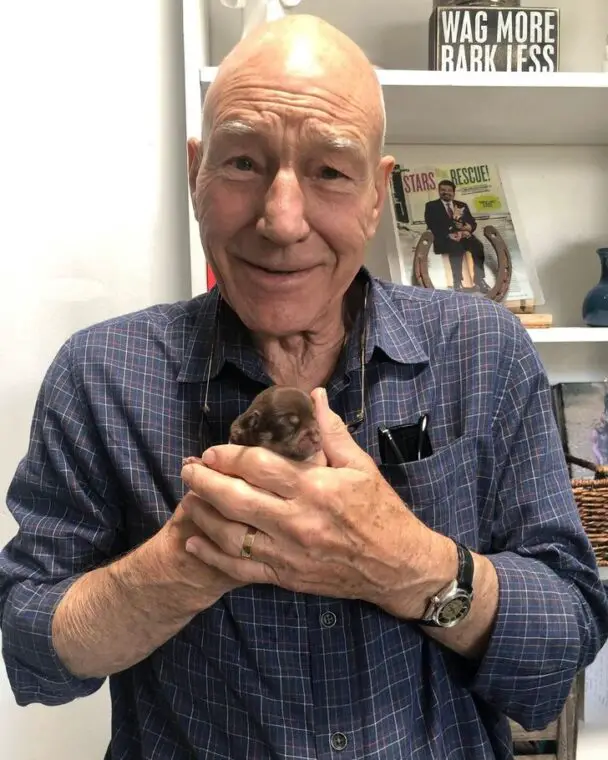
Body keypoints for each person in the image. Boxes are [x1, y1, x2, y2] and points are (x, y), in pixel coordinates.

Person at [1, 14, 607, 760]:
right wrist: (186, 560)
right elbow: (33, 649)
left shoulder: (484, 350)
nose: (282, 221)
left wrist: (407, 564)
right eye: (243, 163)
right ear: (197, 173)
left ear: (377, 194)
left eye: (329, 171)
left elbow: (566, 639)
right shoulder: (101, 374)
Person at [424, 179, 490, 293]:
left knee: (478, 246)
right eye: (443, 190)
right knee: (456, 248)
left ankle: (479, 279)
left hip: (463, 237)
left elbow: (472, 223)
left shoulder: (462, 205)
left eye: (449, 190)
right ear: (439, 191)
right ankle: (457, 282)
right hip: (445, 238)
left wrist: (466, 229)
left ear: (453, 193)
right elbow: (431, 224)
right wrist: (448, 234)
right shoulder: (431, 206)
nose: (446, 192)